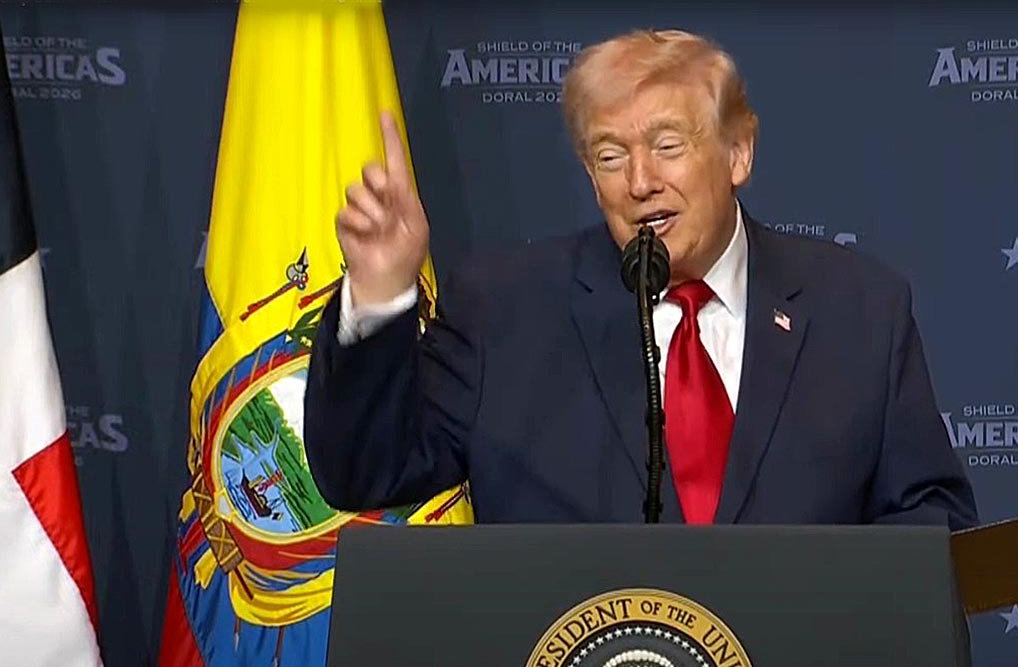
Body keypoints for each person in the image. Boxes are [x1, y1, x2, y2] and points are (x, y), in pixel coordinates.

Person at [303, 29, 978, 529]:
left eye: (667, 145)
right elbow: (364, 470)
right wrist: (381, 296)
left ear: (738, 151)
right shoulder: (505, 309)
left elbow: (932, 516)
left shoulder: (858, 309)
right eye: (610, 154)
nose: (641, 181)